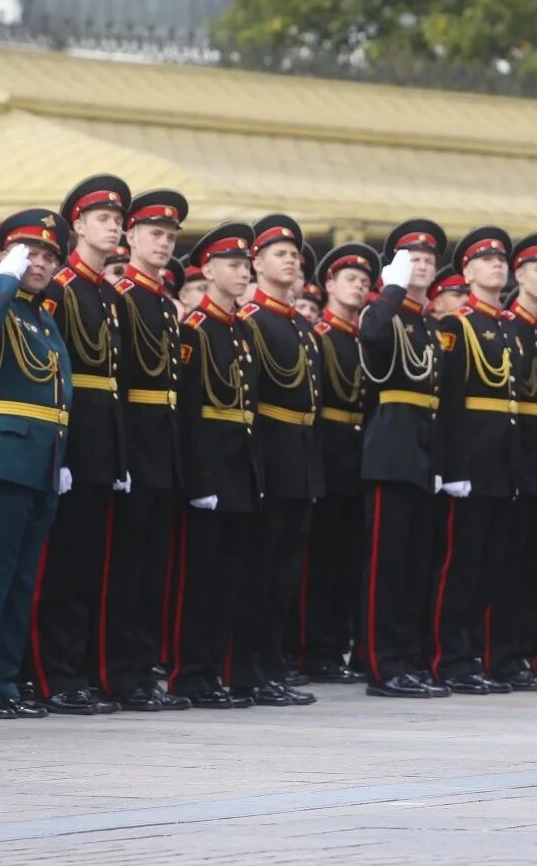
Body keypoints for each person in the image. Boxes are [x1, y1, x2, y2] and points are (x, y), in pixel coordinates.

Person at [0, 208, 73, 718]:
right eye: (31, 253)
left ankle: (2, 679)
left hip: (40, 462)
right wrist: (4, 274)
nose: (40, 263)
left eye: (48, 256)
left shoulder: (42, 318)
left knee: (21, 580)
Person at [32, 175, 131, 716]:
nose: (113, 227)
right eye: (103, 220)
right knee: (61, 566)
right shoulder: (59, 289)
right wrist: (60, 448)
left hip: (102, 443)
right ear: (78, 226)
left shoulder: (107, 294)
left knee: (91, 565)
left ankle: (80, 672)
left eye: (118, 221)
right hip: (71, 439)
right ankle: (51, 675)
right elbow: (51, 371)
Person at [170, 222, 265, 709]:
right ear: (206, 270)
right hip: (210, 467)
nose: (242, 272)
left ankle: (225, 671)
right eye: (232, 264)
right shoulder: (195, 330)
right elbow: (188, 411)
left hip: (241, 468)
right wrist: (200, 475)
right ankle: (191, 674)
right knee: (200, 580)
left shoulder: (243, 329)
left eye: (246, 264)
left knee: (234, 579)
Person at [104, 190, 191, 713]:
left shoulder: (162, 302)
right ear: (131, 237)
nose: (164, 243)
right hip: (134, 444)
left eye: (171, 236)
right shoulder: (121, 297)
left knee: (151, 572)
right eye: (155, 233)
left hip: (164, 447)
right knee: (127, 569)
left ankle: (140, 671)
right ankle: (120, 673)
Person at [359, 220, 451, 700]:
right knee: (386, 567)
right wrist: (390, 286)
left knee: (415, 566)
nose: (423, 265)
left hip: (421, 453)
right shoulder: (386, 312)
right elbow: (371, 333)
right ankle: (382, 665)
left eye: (429, 259)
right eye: (413, 258)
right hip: (390, 451)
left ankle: (408, 659)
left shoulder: (426, 323)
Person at [430, 227, 519, 695]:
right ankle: (450, 657)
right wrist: (453, 466)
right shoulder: (455, 326)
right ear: (466, 271)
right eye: (486, 260)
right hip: (471, 462)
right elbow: (449, 401)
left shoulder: (506, 326)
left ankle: (478, 654)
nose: (497, 266)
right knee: (459, 566)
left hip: (501, 464)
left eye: (501, 260)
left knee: (489, 566)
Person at [242, 214, 322, 706]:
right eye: (280, 253)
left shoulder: (299, 325)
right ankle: (255, 667)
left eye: (295, 254)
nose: (291, 260)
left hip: (302, 459)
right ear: (256, 262)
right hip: (271, 454)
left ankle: (274, 664)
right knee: (263, 571)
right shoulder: (253, 321)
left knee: (287, 574)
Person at [302, 241, 379, 683]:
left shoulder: (366, 340)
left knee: (349, 561)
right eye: (351, 279)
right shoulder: (320, 336)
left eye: (366, 282)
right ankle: (315, 650)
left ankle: (335, 646)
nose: (359, 287)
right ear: (329, 284)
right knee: (322, 560)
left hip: (358, 454)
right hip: (328, 450)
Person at [492, 234, 537, 691]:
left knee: (531, 569)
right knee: (503, 566)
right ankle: (497, 655)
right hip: (508, 462)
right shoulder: (506, 328)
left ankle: (519, 654)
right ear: (518, 275)